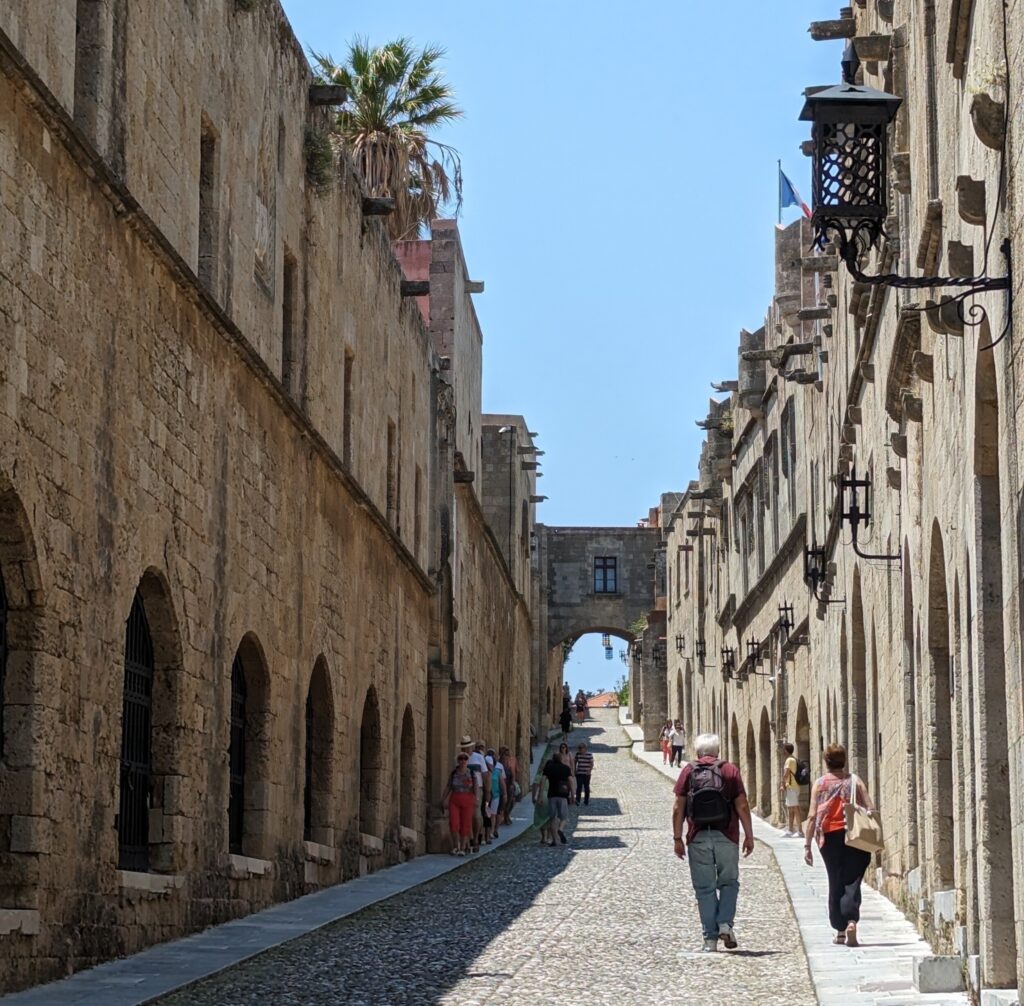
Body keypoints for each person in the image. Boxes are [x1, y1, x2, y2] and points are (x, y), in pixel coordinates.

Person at [672, 732, 755, 952]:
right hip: (727, 835)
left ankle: (710, 939)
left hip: (698, 836)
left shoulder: (688, 771)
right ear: (717, 751)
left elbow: (678, 807)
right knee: (729, 882)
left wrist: (677, 838)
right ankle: (725, 924)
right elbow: (743, 805)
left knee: (704, 888)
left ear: (698, 752)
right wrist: (749, 834)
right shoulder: (729, 770)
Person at [803, 744, 876, 946]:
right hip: (854, 835)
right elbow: (871, 808)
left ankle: (840, 930)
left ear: (826, 761)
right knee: (852, 880)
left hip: (829, 837)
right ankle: (851, 920)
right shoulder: (854, 781)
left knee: (835, 880)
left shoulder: (820, 784)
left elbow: (811, 816)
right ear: (844, 760)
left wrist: (807, 845)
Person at [441, 751, 480, 855]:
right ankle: (455, 846)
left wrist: (476, 798)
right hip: (455, 799)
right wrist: (443, 799)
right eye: (461, 758)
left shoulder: (471, 773)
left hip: (468, 799)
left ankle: (462, 847)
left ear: (467, 761)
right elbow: (448, 786)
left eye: (465, 759)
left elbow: (475, 786)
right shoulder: (454, 773)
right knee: (454, 823)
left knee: (465, 823)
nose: (463, 761)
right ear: (458, 760)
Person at [537, 750, 572, 846]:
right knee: (563, 817)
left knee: (552, 818)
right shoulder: (566, 768)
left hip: (552, 795)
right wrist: (573, 794)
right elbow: (570, 781)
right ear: (561, 759)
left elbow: (543, 781)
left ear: (553, 759)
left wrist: (540, 795)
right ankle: (560, 829)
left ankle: (554, 841)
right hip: (563, 796)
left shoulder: (548, 768)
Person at [465, 739, 489, 853]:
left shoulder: (478, 758)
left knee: (476, 815)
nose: (465, 750)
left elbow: (485, 774)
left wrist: (488, 790)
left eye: (467, 747)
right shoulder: (460, 758)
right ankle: (469, 840)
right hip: (464, 789)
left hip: (477, 788)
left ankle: (475, 838)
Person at [779, 742, 802, 836]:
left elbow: (786, 773)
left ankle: (799, 831)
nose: (783, 751)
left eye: (784, 749)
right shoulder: (793, 759)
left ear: (786, 750)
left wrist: (782, 784)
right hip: (793, 786)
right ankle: (790, 829)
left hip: (792, 786)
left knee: (795, 808)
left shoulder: (789, 760)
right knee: (791, 808)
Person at [485, 750, 507, 841]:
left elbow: (502, 783)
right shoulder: (485, 773)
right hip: (486, 795)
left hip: (495, 796)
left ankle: (491, 832)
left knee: (493, 814)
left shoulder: (497, 772)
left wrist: (505, 794)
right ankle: (485, 833)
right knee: (487, 814)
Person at [574, 741, 594, 806]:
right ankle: (578, 800)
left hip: (586, 774)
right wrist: (574, 769)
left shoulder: (589, 755)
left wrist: (589, 771)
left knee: (586, 787)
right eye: (579, 748)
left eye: (581, 748)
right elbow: (574, 762)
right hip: (579, 773)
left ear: (585, 748)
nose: (580, 749)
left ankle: (586, 800)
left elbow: (592, 764)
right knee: (579, 787)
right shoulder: (577, 754)